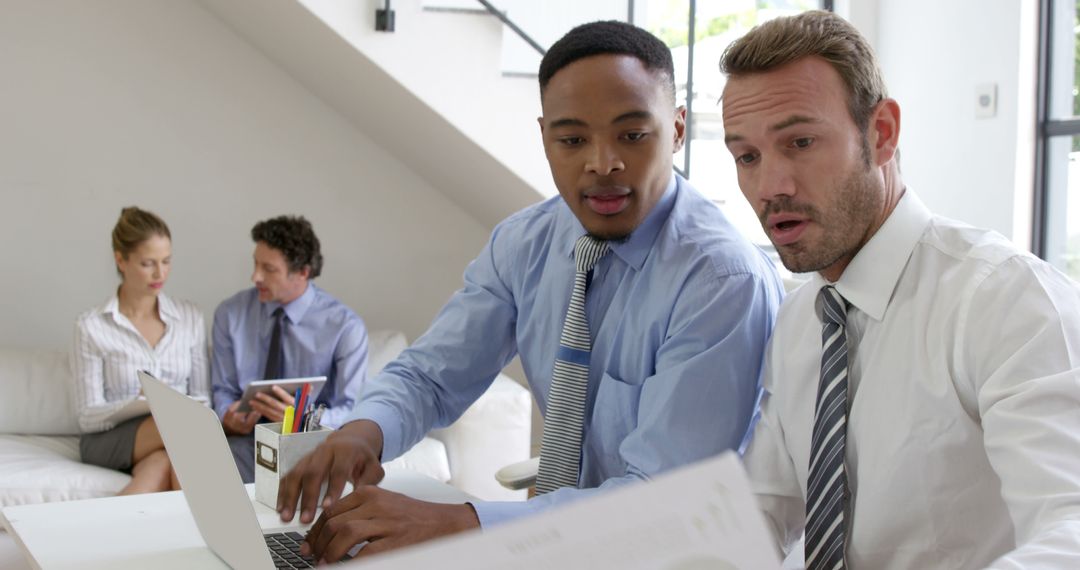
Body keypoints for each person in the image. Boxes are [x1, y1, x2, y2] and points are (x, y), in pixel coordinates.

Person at [278, 20, 784, 563]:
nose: (602, 162)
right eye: (572, 139)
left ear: (678, 129)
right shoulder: (524, 243)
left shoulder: (722, 282)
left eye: (633, 135)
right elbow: (430, 375)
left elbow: (661, 503)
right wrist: (364, 431)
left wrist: (461, 522)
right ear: (545, 137)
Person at [720, 10, 1080, 569]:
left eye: (801, 142)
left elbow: (1071, 528)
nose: (770, 187)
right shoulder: (799, 321)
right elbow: (761, 511)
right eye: (747, 157)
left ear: (881, 133)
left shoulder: (1005, 301)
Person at [211, 215, 368, 483]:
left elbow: (353, 410)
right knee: (205, 469)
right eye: (255, 264)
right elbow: (223, 390)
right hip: (245, 443)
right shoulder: (230, 314)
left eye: (268, 269)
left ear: (303, 272)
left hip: (312, 447)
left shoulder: (345, 328)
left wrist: (304, 419)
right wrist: (227, 414)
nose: (255, 276)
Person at [73, 206, 209, 495]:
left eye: (167, 261)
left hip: (174, 437)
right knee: (179, 425)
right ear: (120, 260)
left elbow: (203, 398)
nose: (160, 273)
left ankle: (101, 537)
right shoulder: (92, 326)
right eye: (148, 263)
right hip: (110, 439)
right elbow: (87, 416)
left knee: (162, 463)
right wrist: (139, 403)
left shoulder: (190, 317)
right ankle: (216, 534)